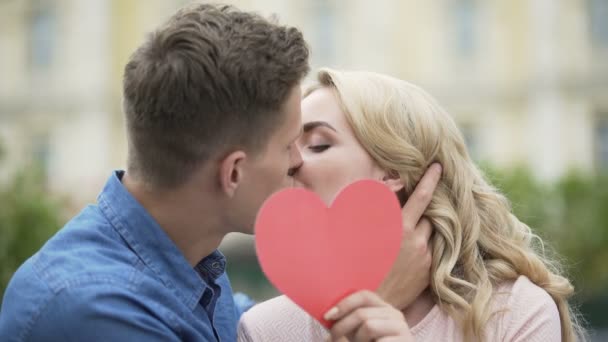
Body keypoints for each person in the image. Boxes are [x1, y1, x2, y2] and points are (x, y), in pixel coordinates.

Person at [0, 4, 438, 341]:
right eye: (289, 145)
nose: (299, 162)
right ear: (233, 173)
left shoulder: (191, 267)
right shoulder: (96, 310)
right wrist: (375, 298)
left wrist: (360, 271)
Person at [237, 69, 587, 342]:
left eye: (317, 144)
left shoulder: (514, 313)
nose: (292, 163)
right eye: (288, 147)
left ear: (394, 170)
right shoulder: (265, 329)